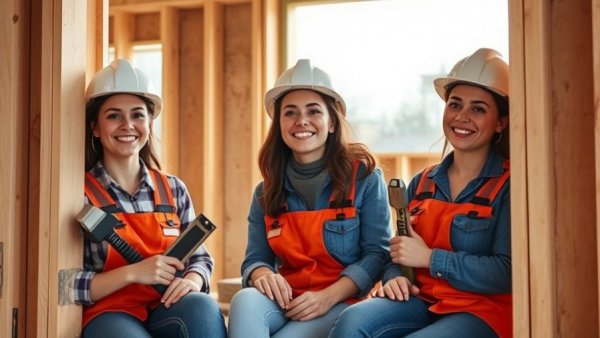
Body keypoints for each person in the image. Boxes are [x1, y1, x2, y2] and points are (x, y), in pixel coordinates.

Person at [329, 48, 512, 338]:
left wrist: (430, 259)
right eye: (455, 105)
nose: (462, 117)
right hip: (421, 301)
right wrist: (393, 278)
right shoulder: (422, 182)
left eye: (478, 108)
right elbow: (399, 255)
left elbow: (507, 271)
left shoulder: (509, 185)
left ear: (500, 122)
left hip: (480, 310)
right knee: (351, 323)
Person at [227, 59, 391, 338]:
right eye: (290, 113)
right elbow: (255, 259)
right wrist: (262, 274)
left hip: (343, 302)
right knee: (243, 300)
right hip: (287, 298)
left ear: (331, 123)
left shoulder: (364, 178)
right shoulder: (266, 192)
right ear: (279, 125)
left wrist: (327, 296)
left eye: (313, 111)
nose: (301, 121)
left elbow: (377, 254)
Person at [73, 59, 226, 338]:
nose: (127, 125)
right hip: (110, 313)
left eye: (137, 115)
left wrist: (192, 281)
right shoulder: (78, 194)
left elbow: (200, 259)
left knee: (203, 308)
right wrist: (133, 273)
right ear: (95, 127)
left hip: (166, 305)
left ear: (149, 123)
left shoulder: (173, 189)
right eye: (114, 116)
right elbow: (68, 284)